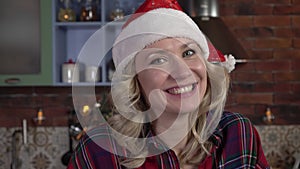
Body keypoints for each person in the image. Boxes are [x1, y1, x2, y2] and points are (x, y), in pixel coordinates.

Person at [67, 0, 270, 168]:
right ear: (135, 81)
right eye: (158, 60)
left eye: (188, 53)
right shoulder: (99, 151)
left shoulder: (237, 133)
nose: (182, 72)